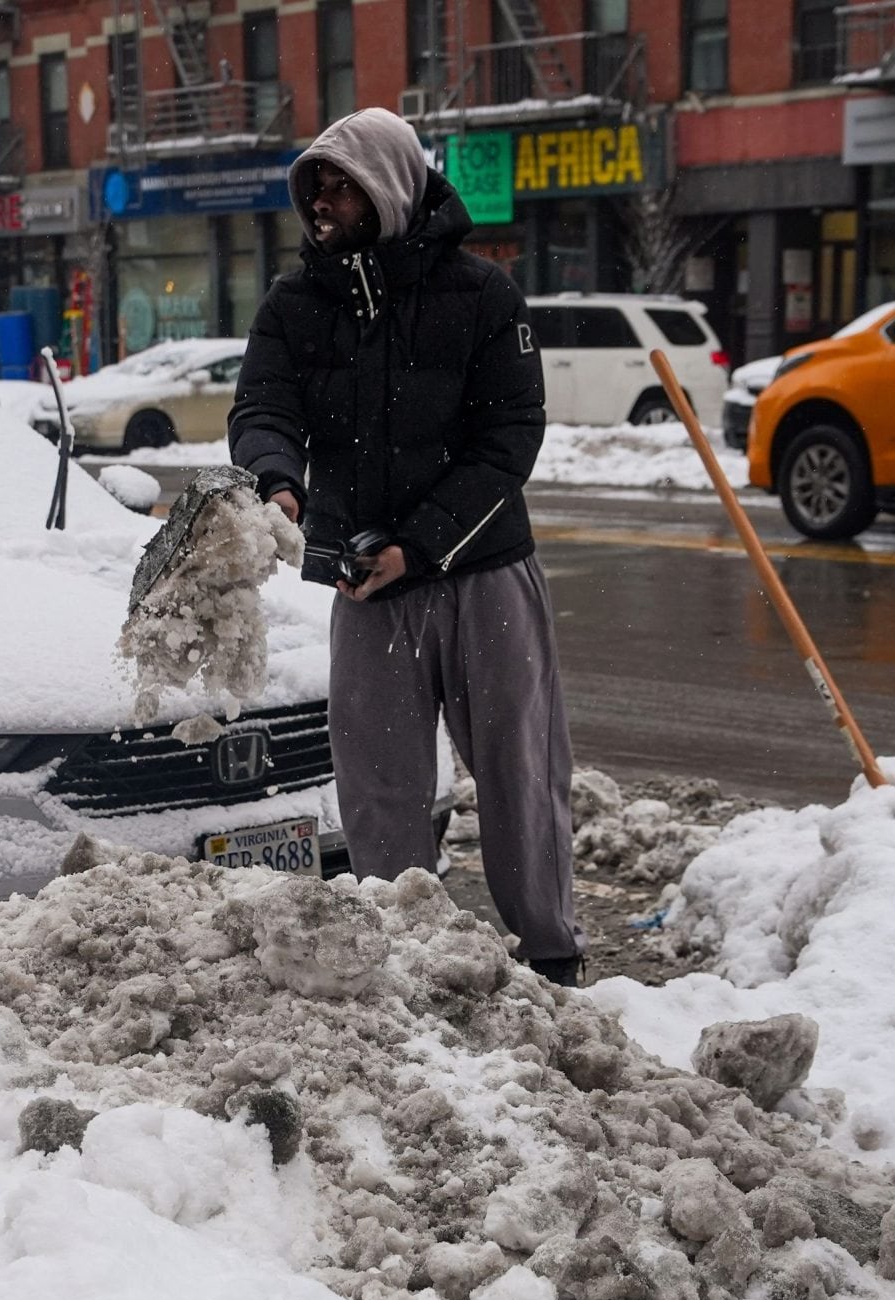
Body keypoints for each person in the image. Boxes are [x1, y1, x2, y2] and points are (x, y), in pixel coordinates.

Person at [228, 107, 587, 986]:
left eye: (340, 185)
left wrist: (421, 544)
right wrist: (279, 483)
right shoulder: (294, 305)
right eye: (315, 185)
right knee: (378, 783)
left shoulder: (483, 295)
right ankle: (393, 955)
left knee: (518, 768)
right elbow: (262, 409)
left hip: (482, 568)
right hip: (364, 581)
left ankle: (550, 953)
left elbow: (511, 437)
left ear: (385, 187)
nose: (322, 202)